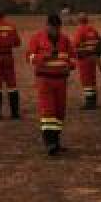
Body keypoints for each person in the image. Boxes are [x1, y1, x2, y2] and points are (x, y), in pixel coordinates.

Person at [27, 12, 74, 156]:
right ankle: (50, 143)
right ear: (47, 26)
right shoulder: (37, 38)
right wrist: (46, 56)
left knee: (59, 111)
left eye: (58, 28)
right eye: (53, 28)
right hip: (45, 80)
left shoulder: (65, 39)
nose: (55, 31)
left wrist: (71, 64)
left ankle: (56, 141)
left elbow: (72, 56)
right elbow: (30, 57)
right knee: (48, 112)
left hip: (61, 80)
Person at [71, 14, 101, 110]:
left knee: (86, 81)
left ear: (79, 21)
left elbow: (75, 45)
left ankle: (90, 102)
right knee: (92, 79)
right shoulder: (93, 30)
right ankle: (93, 100)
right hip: (93, 58)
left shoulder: (80, 31)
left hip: (84, 58)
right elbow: (99, 43)